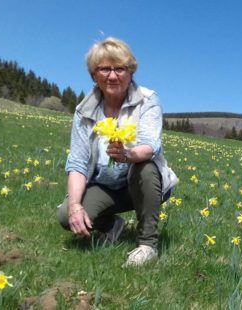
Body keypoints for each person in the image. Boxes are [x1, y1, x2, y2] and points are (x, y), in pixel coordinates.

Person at [58, 37, 178, 266]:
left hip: (141, 184)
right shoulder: (84, 111)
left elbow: (150, 146)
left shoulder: (148, 99)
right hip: (105, 185)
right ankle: (112, 226)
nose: (112, 76)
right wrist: (74, 205)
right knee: (66, 216)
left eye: (120, 68)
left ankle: (147, 245)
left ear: (131, 72)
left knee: (145, 168)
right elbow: (78, 162)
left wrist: (127, 155)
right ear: (94, 75)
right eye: (104, 69)